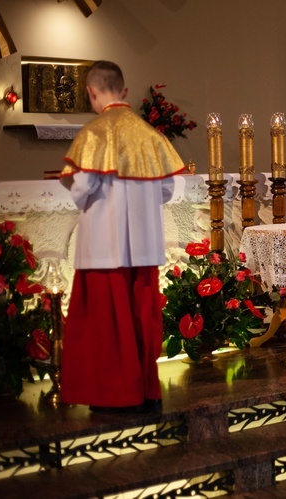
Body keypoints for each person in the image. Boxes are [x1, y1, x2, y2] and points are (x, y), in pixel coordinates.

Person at [59, 61, 185, 413]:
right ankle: (147, 391)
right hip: (145, 246)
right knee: (142, 317)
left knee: (107, 324)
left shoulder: (95, 133)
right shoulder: (149, 134)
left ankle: (114, 395)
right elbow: (169, 188)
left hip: (104, 245)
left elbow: (83, 187)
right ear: (124, 91)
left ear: (91, 92)